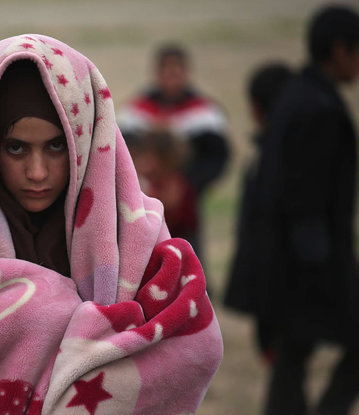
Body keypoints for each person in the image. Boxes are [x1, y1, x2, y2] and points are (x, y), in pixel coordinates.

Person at [0, 34, 223, 414]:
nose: (37, 173)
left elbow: (192, 349)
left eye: (56, 146)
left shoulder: (132, 232)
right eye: (16, 148)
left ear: (84, 142)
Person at [228, 6, 359, 415]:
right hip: (307, 264)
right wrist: (322, 271)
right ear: (339, 50)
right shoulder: (317, 108)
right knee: (294, 358)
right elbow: (304, 200)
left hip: (289, 262)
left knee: (291, 360)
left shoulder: (298, 98)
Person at [118, 43, 230, 260]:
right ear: (156, 73)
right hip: (145, 200)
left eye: (176, 72)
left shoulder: (204, 113)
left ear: (186, 73)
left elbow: (218, 158)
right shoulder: (135, 113)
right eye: (166, 72)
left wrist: (189, 185)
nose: (171, 78)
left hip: (186, 201)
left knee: (189, 257)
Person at [224, 62, 294, 363]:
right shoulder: (270, 157)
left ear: (255, 108)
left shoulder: (269, 160)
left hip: (273, 278)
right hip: (277, 279)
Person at [126, 129, 197, 242]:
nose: (145, 162)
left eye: (151, 157)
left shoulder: (174, 184)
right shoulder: (142, 179)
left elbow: (170, 212)